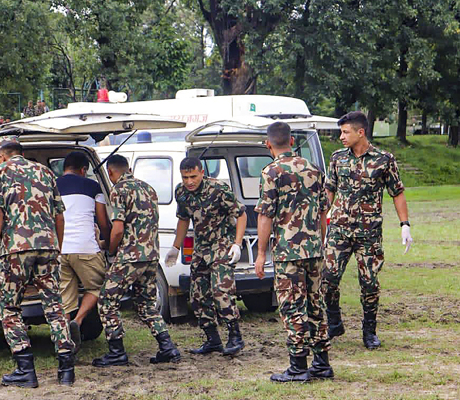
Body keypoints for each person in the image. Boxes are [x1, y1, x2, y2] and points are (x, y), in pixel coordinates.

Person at [0, 137, 75, 388]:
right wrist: (57, 246)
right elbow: (60, 216)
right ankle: (66, 370)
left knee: (10, 308)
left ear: (1, 155)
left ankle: (25, 369)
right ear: (21, 153)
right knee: (55, 307)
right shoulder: (45, 171)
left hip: (15, 250)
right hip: (48, 247)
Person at [322, 111, 413, 350]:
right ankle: (333, 321)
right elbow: (329, 190)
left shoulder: (384, 159)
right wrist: (321, 219)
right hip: (339, 230)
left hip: (368, 233)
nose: (341, 136)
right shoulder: (337, 158)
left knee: (369, 284)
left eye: (345, 132)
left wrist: (405, 225)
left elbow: (397, 192)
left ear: (360, 132)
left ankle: (369, 330)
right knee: (328, 278)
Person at [254, 121, 333, 383]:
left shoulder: (271, 172)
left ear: (269, 144)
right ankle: (322, 364)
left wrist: (261, 253)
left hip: (288, 252)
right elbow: (323, 212)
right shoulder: (313, 169)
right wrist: (320, 242)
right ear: (291, 141)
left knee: (292, 307)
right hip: (313, 250)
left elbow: (265, 216)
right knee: (315, 304)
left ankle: (298, 366)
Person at [92, 154, 181, 367]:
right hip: (151, 256)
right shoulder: (148, 189)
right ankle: (167, 347)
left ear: (111, 172)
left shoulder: (119, 190)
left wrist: (110, 249)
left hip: (130, 256)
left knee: (106, 300)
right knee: (146, 304)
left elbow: (118, 228)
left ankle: (116, 351)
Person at [165, 157, 247, 356]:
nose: (189, 181)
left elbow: (241, 214)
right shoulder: (181, 192)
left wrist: (237, 244)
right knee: (197, 296)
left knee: (221, 291)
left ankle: (235, 336)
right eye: (185, 177)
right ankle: (213, 339)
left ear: (202, 172)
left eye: (193, 176)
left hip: (222, 246)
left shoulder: (218, 189)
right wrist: (175, 247)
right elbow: (184, 219)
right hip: (201, 249)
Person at [56, 151, 111, 353]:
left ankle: (64, 341)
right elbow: (103, 221)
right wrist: (106, 240)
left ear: (64, 169)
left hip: (61, 249)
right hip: (86, 248)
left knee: (64, 298)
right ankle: (77, 322)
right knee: (98, 287)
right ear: (83, 170)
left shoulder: (53, 185)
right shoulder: (93, 187)